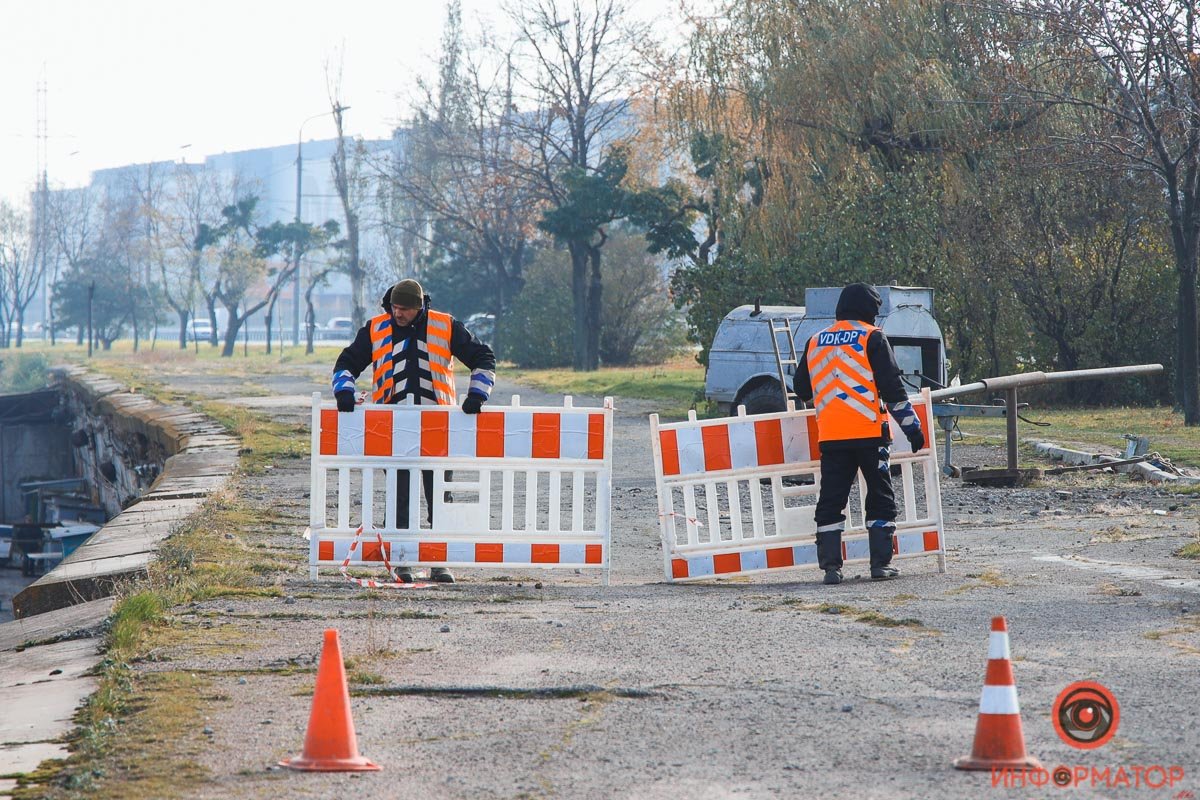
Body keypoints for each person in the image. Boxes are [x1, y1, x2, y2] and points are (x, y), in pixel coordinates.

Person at [330, 279, 496, 584]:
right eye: (395, 307)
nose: (398, 314)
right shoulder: (376, 328)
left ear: (419, 307)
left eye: (404, 309)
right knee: (399, 497)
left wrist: (477, 394)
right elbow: (346, 362)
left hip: (438, 427)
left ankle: (439, 562)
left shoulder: (445, 326)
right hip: (392, 429)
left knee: (440, 496)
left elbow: (484, 357)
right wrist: (344, 390)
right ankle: (401, 560)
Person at [792, 283, 925, 585]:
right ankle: (880, 564)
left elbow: (801, 388)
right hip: (869, 433)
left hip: (831, 436)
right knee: (880, 497)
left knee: (831, 500)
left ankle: (831, 568)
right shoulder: (872, 337)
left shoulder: (816, 340)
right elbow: (893, 390)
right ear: (869, 311)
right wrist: (912, 428)